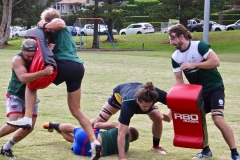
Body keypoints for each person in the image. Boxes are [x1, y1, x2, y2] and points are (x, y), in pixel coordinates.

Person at [6, 8, 102, 160]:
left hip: (64, 65)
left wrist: (43, 24)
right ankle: (94, 141)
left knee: (32, 84)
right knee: (76, 109)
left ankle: (27, 117)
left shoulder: (57, 25)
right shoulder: (52, 35)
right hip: (77, 68)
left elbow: (60, 23)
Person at [168, 24, 239, 160]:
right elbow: (179, 81)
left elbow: (216, 62)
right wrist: (175, 104)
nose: (171, 42)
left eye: (173, 39)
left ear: (181, 36)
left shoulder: (199, 46)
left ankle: (234, 153)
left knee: (217, 118)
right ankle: (206, 150)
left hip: (214, 87)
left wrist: (193, 64)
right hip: (197, 93)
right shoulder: (175, 57)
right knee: (196, 120)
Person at [0, 39, 53, 158]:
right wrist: (44, 72)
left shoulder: (37, 56)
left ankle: (6, 148)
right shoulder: (17, 59)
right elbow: (23, 78)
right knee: (13, 124)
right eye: (28, 56)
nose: (30, 58)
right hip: (16, 94)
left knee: (29, 127)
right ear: (22, 50)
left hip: (31, 96)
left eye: (32, 56)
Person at [90, 82, 168, 160]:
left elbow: (175, 102)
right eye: (144, 106)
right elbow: (121, 133)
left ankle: (156, 146)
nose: (146, 109)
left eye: (149, 105)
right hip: (119, 98)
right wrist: (122, 157)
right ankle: (82, 130)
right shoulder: (128, 104)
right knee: (99, 121)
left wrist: (170, 116)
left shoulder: (155, 93)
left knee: (158, 117)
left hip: (141, 98)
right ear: (138, 100)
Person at [42, 121, 139, 157]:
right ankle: (57, 129)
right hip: (84, 152)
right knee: (75, 141)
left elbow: (98, 124)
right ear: (132, 140)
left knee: (74, 129)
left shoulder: (123, 128)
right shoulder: (125, 149)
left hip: (91, 138)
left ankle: (52, 125)